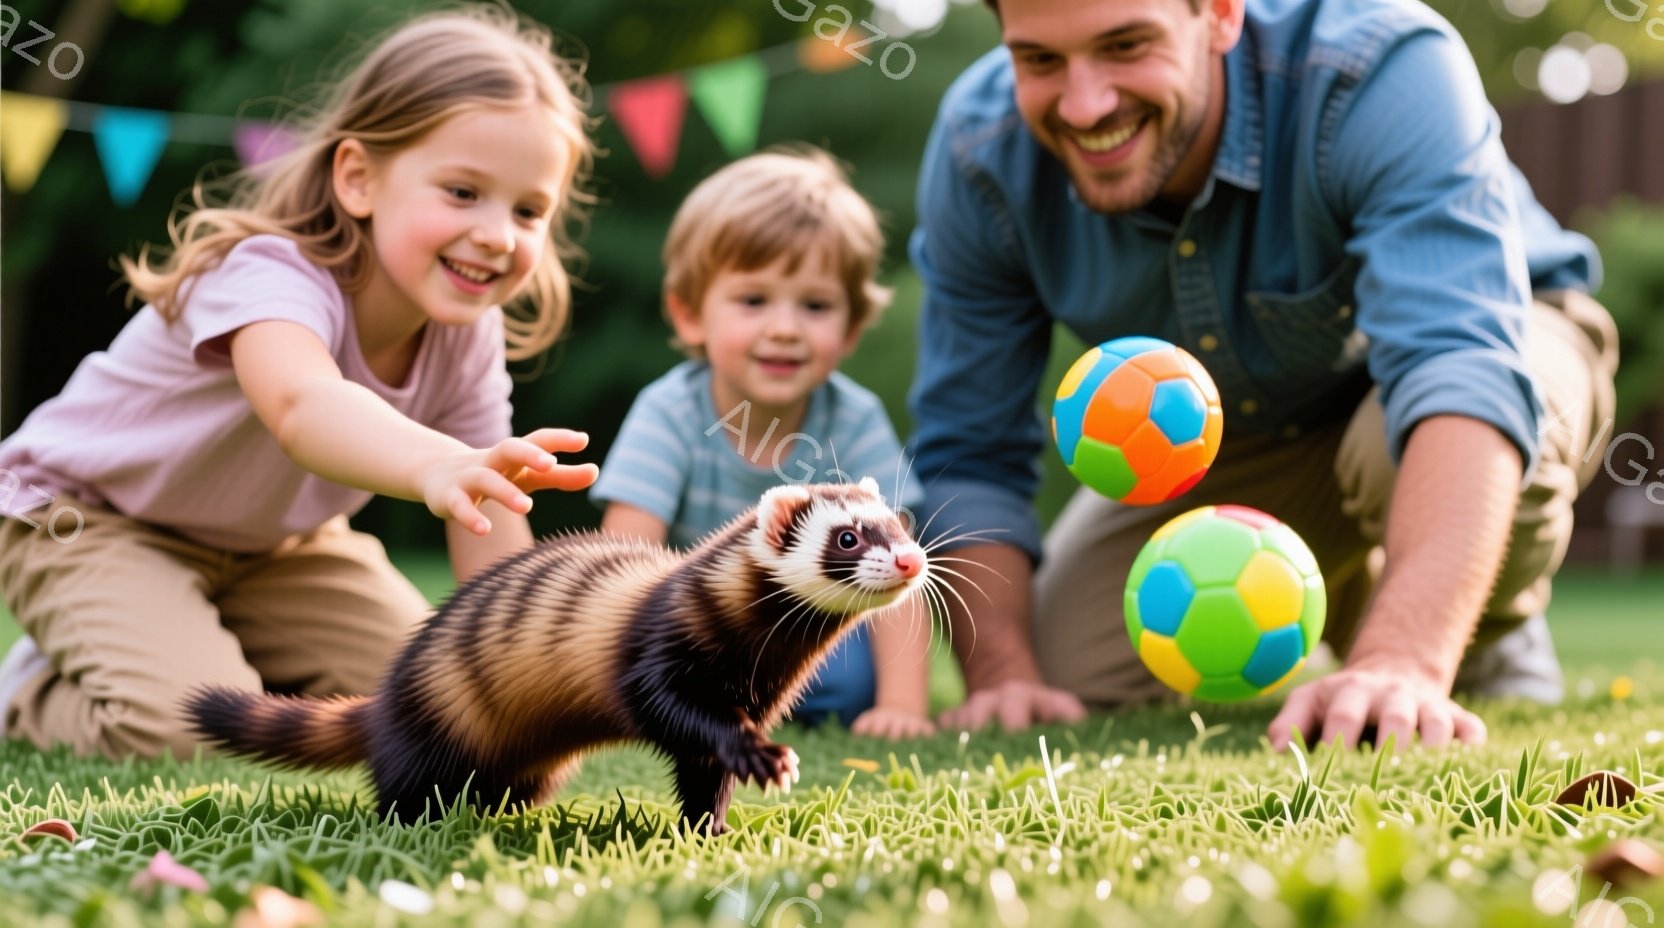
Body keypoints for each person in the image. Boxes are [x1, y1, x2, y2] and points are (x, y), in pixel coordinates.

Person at [908, 0, 1619, 747]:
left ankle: (1471, 634)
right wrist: (1004, 676)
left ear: (1218, 14)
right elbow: (971, 445)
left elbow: (1461, 365)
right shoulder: (979, 149)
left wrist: (1401, 658)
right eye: (1040, 61)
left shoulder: (1379, 65)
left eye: (1126, 45)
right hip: (1247, 425)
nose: (1086, 105)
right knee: (1070, 660)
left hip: (1503, 344)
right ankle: (1389, 585)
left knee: (1397, 447)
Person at [0, 6, 601, 760]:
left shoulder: (465, 333)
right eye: (461, 192)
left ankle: (170, 641)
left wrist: (522, 680)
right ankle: (31, 695)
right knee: (194, 728)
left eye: (528, 209)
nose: (497, 234)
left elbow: (490, 505)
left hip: (276, 550)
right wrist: (434, 462)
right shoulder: (270, 274)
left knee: (428, 710)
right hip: (82, 517)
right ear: (357, 177)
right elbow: (302, 406)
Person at [592, 148, 936, 740]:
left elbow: (897, 569)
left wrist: (903, 704)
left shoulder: (854, 419)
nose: (784, 327)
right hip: (699, 635)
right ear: (691, 315)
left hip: (814, 633)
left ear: (851, 327)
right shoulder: (670, 411)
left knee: (851, 679)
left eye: (815, 305)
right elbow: (624, 561)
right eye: (753, 300)